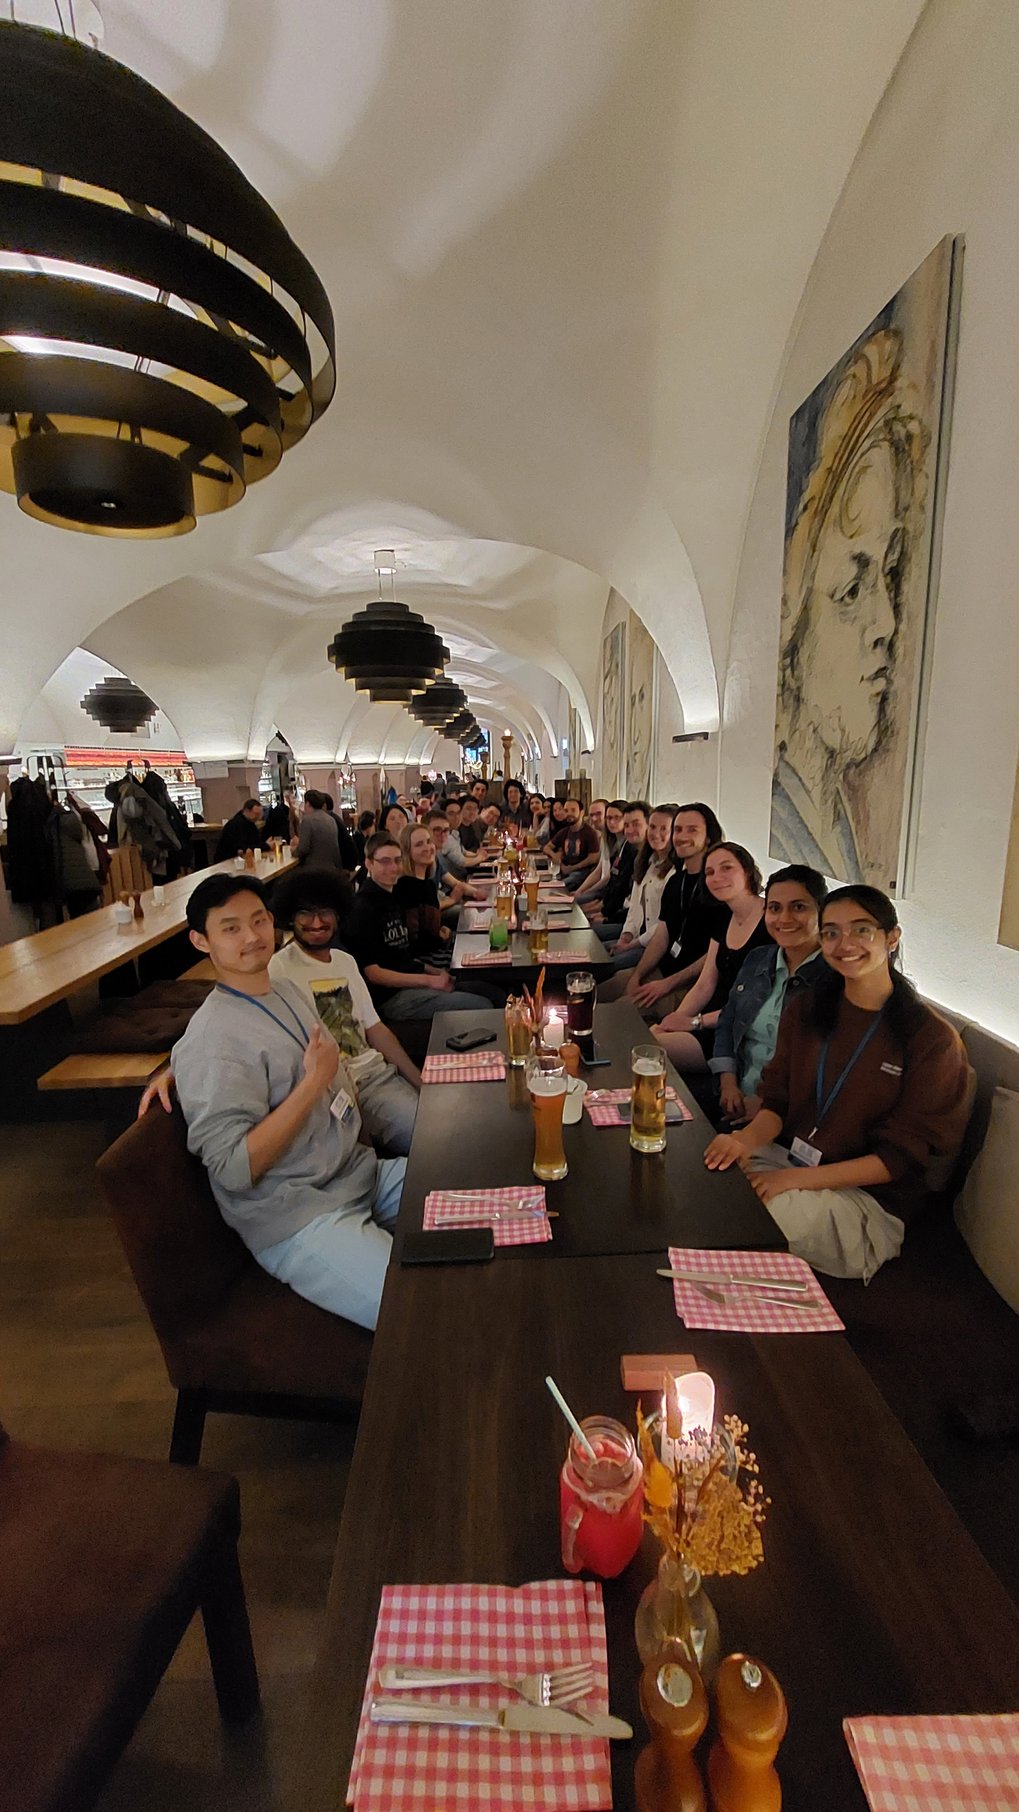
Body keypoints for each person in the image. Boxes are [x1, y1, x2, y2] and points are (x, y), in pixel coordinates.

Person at [170, 873, 406, 1331]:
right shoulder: (210, 1041)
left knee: (479, 1196)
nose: (253, 936)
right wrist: (313, 1083)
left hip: (356, 1174)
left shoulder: (286, 991)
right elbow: (235, 1169)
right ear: (201, 941)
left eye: (259, 920)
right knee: (416, 1308)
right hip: (299, 1215)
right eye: (231, 928)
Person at [704, 884, 974, 1281]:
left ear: (892, 937)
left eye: (861, 930)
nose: (844, 943)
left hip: (866, 1200)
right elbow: (775, 1103)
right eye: (831, 932)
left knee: (750, 1219)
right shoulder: (808, 1009)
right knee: (701, 1183)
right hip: (787, 1159)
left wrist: (790, 1181)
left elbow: (898, 1159)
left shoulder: (929, 1038)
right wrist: (741, 1141)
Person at [772, 330, 925, 883]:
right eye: (852, 591)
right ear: (792, 632)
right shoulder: (792, 822)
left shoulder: (835, 832)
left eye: (889, 574)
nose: (885, 624)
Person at [269, 866, 420, 1154]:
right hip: (341, 1092)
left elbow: (375, 1030)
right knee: (431, 1136)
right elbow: (239, 1019)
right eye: (305, 913)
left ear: (339, 914)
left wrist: (420, 1079)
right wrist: (174, 1069)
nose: (316, 922)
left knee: (448, 1121)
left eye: (325, 911)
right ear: (291, 916)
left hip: (380, 1077)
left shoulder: (345, 961)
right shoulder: (279, 968)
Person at [708, 865, 827, 1125]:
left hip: (788, 1115)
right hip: (733, 1095)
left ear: (821, 911)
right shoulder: (758, 959)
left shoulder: (833, 979)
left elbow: (824, 1067)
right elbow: (727, 1022)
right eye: (774, 908)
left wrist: (767, 1105)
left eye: (798, 907)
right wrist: (727, 1083)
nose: (784, 919)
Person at [343, 833, 497, 1021]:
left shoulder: (392, 897)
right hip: (390, 998)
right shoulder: (362, 908)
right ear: (369, 863)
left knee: (492, 992)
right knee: (483, 1005)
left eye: (397, 860)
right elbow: (374, 974)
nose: (392, 867)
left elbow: (402, 957)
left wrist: (437, 972)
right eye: (384, 861)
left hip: (413, 980)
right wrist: (429, 980)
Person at [651, 841, 770, 1071]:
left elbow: (753, 1003)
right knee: (649, 1036)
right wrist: (676, 1019)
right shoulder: (724, 917)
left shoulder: (770, 922)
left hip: (732, 1032)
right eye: (710, 872)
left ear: (746, 871)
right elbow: (705, 984)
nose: (716, 877)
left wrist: (695, 1022)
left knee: (644, 1051)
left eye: (727, 868)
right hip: (705, 1020)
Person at [623, 803, 724, 1013]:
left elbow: (714, 956)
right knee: (597, 991)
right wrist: (638, 975)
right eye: (678, 830)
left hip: (690, 986)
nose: (681, 836)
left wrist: (666, 985)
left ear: (708, 837)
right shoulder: (677, 880)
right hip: (663, 972)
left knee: (613, 1012)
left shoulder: (718, 886)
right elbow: (662, 936)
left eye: (692, 830)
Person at [605, 804, 677, 971]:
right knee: (593, 951)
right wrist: (625, 936)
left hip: (655, 946)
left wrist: (630, 945)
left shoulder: (675, 871)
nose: (655, 833)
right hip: (637, 938)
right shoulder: (647, 862)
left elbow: (661, 926)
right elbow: (635, 909)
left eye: (664, 829)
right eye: (652, 827)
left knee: (604, 965)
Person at [590, 800, 649, 937]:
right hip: (625, 920)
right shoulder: (626, 847)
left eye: (636, 825)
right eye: (627, 825)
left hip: (637, 930)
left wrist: (606, 916)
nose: (612, 822)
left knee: (588, 936)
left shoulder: (648, 859)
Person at [47, 793, 102, 918]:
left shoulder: (52, 828)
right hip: (88, 879)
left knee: (80, 923)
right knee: (95, 919)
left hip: (71, 884)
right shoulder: (72, 823)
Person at [575, 799, 627, 909]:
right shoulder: (607, 837)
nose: (594, 819)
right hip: (607, 892)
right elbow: (599, 870)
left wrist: (584, 893)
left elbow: (608, 878)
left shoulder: (627, 846)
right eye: (591, 815)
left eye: (598, 814)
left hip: (607, 892)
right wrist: (579, 891)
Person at [549, 797, 600, 890]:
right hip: (564, 871)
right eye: (566, 810)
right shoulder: (564, 831)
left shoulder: (590, 833)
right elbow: (547, 847)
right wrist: (555, 856)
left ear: (582, 812)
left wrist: (573, 868)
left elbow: (594, 858)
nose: (569, 814)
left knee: (557, 887)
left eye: (573, 810)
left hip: (581, 873)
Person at [292, 790, 342, 866]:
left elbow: (303, 849)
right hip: (333, 867)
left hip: (315, 870)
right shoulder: (331, 819)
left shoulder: (307, 820)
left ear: (307, 803)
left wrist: (293, 851)